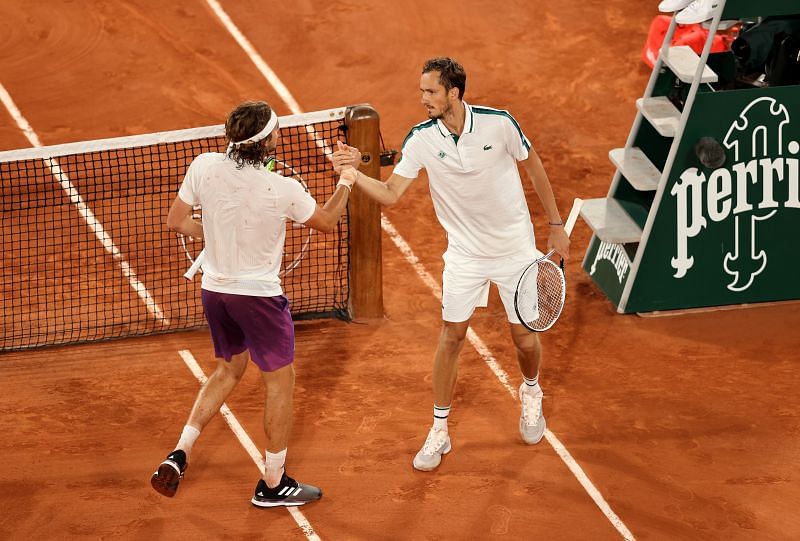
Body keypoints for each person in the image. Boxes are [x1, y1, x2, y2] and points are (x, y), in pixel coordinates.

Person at [332, 57, 570, 471]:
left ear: (453, 93)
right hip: (464, 254)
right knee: (451, 337)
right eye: (422, 91)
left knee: (524, 339)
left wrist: (555, 224)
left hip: (515, 250)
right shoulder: (422, 139)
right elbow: (390, 193)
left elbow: (533, 166)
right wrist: (353, 175)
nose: (422, 99)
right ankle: (439, 428)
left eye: (430, 92)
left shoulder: (499, 124)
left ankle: (531, 391)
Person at [151, 100, 356, 506]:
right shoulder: (282, 188)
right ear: (267, 141)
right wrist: (347, 179)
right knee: (280, 383)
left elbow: (177, 221)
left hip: (215, 291)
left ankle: (180, 452)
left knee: (229, 369)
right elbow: (328, 221)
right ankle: (274, 483)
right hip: (258, 299)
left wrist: (214, 238)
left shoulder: (204, 165)